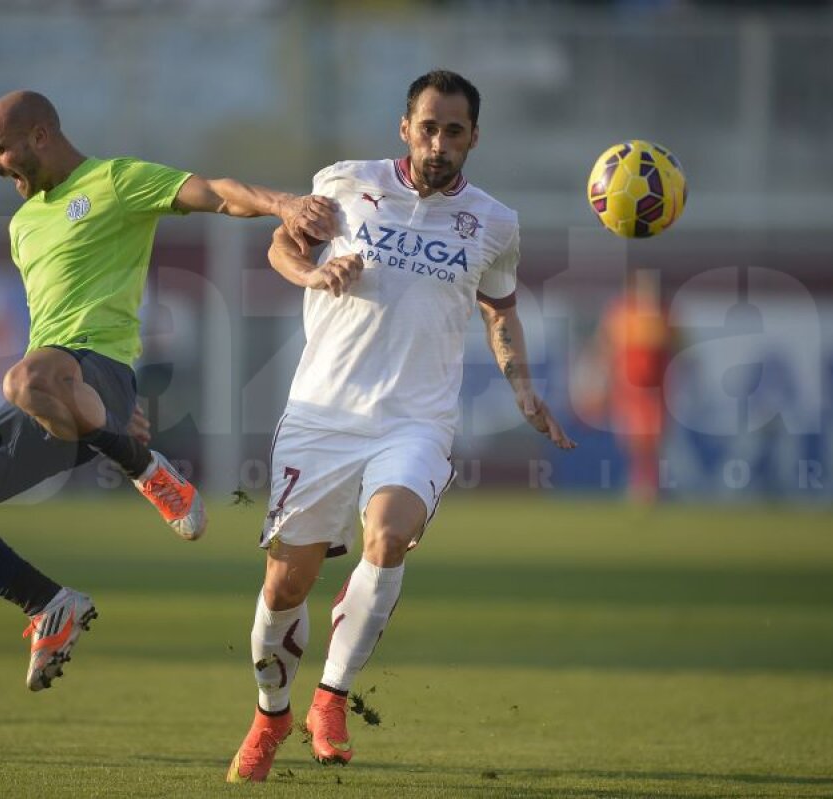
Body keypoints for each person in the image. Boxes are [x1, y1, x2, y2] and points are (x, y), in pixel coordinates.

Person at [0, 90, 337, 693]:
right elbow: (52, 320)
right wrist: (88, 413)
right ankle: (47, 603)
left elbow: (216, 193)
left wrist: (283, 204)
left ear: (40, 136)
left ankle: (142, 466)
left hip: (94, 372)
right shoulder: (24, 224)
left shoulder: (116, 181)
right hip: (58, 398)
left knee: (24, 375)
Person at [225, 70, 576, 782]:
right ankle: (271, 711)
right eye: (428, 126)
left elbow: (499, 309)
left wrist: (523, 387)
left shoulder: (495, 222)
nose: (439, 142)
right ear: (404, 127)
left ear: (475, 137)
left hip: (415, 420)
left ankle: (331, 696)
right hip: (322, 415)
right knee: (285, 585)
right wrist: (312, 275)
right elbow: (281, 247)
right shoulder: (345, 182)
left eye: (454, 130)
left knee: (390, 535)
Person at [577, 265, 674, 504]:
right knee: (634, 440)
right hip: (628, 388)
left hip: (653, 388)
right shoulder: (620, 312)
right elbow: (605, 345)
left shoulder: (662, 313)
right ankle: (642, 484)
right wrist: (598, 380)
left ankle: (649, 486)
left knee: (652, 438)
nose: (646, 289)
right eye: (642, 285)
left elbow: (670, 343)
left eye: (650, 285)